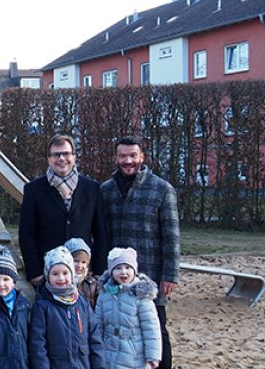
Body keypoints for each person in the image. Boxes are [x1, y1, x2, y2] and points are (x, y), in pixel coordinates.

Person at [100, 136, 180, 369]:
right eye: (123, 156)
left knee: (156, 329)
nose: (128, 161)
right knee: (120, 328)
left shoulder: (161, 189)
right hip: (117, 277)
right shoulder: (106, 190)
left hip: (151, 273)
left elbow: (172, 236)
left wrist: (170, 274)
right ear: (116, 158)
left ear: (142, 157)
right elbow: (102, 234)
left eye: (133, 156)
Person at [19, 134, 108, 287]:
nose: (61, 158)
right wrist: (35, 273)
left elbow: (101, 233)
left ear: (74, 156)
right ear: (49, 159)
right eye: (56, 154)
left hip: (83, 273)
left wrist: (99, 271)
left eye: (66, 154)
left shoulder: (92, 188)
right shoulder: (34, 190)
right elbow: (27, 234)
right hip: (49, 274)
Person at [29, 247, 105, 369]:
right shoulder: (42, 305)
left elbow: (95, 339)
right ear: (48, 275)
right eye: (55, 274)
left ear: (72, 274)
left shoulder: (82, 303)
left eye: (65, 273)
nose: (61, 278)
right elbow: (38, 345)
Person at [94, 248, 162, 369]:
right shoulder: (104, 294)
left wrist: (153, 356)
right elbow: (98, 324)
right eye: (118, 268)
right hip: (109, 353)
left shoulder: (141, 295)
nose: (123, 272)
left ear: (134, 270)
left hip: (134, 356)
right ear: (111, 271)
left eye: (128, 267)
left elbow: (151, 328)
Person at [65, 237, 101, 309]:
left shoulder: (92, 284)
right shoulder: (62, 282)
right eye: (76, 261)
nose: (80, 266)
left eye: (83, 262)